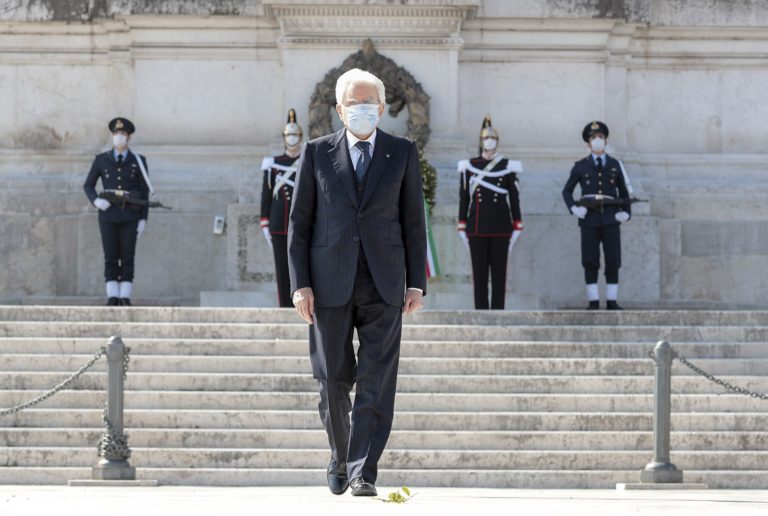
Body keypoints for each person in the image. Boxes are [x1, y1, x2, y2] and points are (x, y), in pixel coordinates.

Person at [288, 68, 427, 497]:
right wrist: (300, 284)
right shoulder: (316, 153)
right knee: (331, 378)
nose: (361, 110)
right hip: (328, 282)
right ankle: (340, 450)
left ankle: (363, 470)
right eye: (353, 103)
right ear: (339, 109)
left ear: (382, 109)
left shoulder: (401, 152)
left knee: (375, 380)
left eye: (369, 103)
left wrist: (416, 283)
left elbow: (413, 222)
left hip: (384, 283)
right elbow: (299, 224)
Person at [562, 121, 632, 310]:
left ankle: (611, 300)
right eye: (593, 138)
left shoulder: (615, 164)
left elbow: (624, 193)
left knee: (613, 259)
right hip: (589, 219)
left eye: (600, 137)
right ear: (588, 144)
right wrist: (574, 209)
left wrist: (626, 213)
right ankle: (593, 301)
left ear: (605, 141)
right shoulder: (580, 166)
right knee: (590, 260)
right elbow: (567, 191)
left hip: (610, 218)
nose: (597, 140)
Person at [457, 116, 523, 309]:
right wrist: (462, 223)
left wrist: (517, 222)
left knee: (499, 273)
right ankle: (481, 311)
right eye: (486, 138)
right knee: (479, 274)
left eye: (492, 138)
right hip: (476, 226)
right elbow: (464, 198)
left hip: (501, 226)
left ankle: (498, 311)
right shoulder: (469, 166)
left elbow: (514, 197)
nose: (489, 141)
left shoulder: (507, 166)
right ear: (481, 141)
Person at [83, 118, 150, 306]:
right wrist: (96, 201)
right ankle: (112, 295)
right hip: (108, 216)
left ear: (128, 137)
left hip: (130, 216)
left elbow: (144, 193)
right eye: (115, 134)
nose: (118, 137)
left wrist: (143, 218)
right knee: (111, 255)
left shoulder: (138, 161)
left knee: (128, 255)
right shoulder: (101, 160)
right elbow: (88, 185)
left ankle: (125, 296)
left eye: (122, 134)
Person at [261, 109, 303, 307]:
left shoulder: (306, 161)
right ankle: (285, 306)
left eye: (295, 135)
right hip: (279, 224)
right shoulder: (273, 164)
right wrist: (264, 222)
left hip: (302, 224)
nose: (292, 138)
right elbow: (266, 196)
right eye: (289, 135)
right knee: (282, 268)